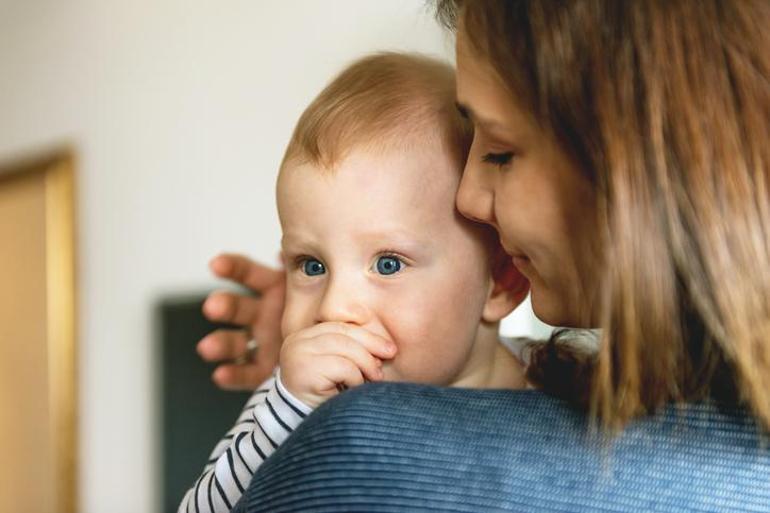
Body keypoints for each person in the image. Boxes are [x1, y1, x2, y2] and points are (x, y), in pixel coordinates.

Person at [201, 0, 770, 510]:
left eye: (499, 152)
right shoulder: (632, 394)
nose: (470, 199)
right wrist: (286, 406)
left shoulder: (556, 389)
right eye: (312, 265)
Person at [180, 51, 543, 513]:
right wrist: (290, 410)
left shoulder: (566, 390)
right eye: (312, 266)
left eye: (388, 264)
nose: (334, 309)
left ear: (500, 283)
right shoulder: (294, 397)